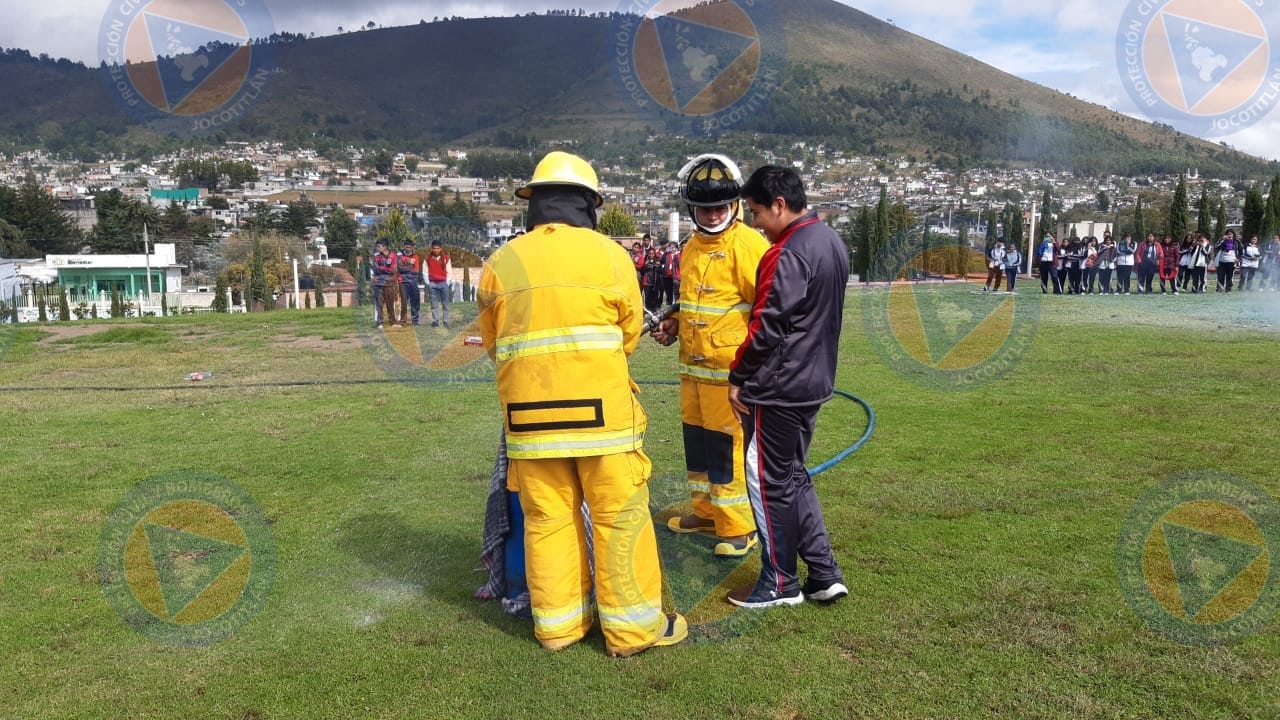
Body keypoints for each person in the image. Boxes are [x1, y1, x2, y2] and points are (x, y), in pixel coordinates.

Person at [478, 150, 686, 656]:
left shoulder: (501, 263)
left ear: (535, 203)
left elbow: (492, 340)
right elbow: (629, 334)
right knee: (619, 517)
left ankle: (558, 628)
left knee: (548, 521)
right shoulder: (609, 256)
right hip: (602, 422)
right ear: (588, 205)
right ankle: (633, 631)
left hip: (529, 424)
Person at [725, 165, 848, 609]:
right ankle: (823, 573)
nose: (755, 223)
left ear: (779, 204)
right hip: (814, 381)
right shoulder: (831, 241)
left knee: (766, 480)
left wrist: (738, 376)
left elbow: (767, 326)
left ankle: (780, 581)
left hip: (778, 387)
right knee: (793, 476)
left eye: (757, 212)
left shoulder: (786, 252)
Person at [651, 153, 769, 558]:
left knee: (725, 448)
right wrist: (673, 323)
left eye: (720, 205)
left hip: (729, 376)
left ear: (734, 204)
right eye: (705, 207)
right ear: (692, 208)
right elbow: (695, 305)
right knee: (698, 445)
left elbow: (766, 311)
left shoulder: (749, 246)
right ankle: (706, 513)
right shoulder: (691, 248)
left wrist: (752, 370)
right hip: (692, 373)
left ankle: (738, 526)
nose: (714, 213)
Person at [370, 238, 399, 328]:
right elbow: (375, 269)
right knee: (379, 304)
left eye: (379, 246)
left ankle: (392, 322)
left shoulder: (393, 256)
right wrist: (385, 269)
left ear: (385, 247)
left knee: (390, 304)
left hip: (390, 283)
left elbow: (393, 270)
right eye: (377, 246)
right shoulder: (376, 257)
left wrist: (381, 268)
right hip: (378, 284)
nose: (377, 248)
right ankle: (379, 322)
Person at [425, 239, 451, 327]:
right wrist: (428, 282)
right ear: (431, 248)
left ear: (441, 248)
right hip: (432, 284)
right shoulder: (427, 258)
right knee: (433, 304)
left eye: (438, 248)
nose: (436, 250)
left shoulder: (446, 258)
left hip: (443, 283)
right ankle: (435, 321)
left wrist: (447, 282)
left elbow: (449, 270)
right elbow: (424, 271)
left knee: (445, 304)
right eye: (434, 248)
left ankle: (446, 321)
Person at [397, 239, 422, 325]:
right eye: (407, 246)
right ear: (404, 246)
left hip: (413, 281)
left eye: (410, 247)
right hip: (403, 282)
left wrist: (405, 267)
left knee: (415, 301)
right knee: (404, 302)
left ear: (412, 247)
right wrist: (409, 266)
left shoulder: (416, 256)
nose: (408, 248)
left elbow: (416, 270)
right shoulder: (399, 256)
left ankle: (415, 320)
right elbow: (399, 268)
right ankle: (403, 320)